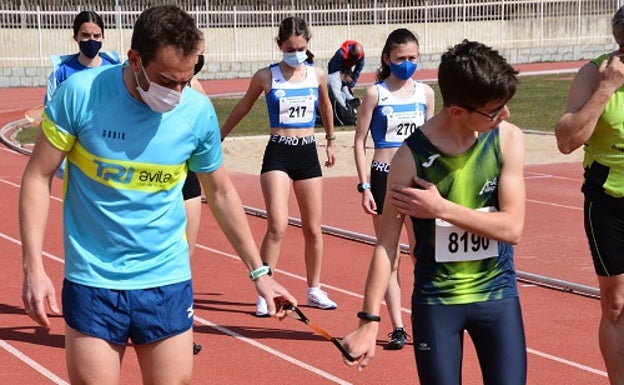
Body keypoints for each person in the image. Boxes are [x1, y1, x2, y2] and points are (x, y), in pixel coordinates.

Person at [19, 5, 296, 384]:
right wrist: (33, 267)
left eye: (187, 79)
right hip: (94, 280)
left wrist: (260, 273)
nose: (178, 92)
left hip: (166, 280)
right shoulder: (80, 95)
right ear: (135, 60)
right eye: (167, 80)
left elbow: (221, 193)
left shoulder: (197, 112)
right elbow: (37, 176)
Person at [343, 39, 527, 385]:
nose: (506, 115)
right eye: (495, 110)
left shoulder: (507, 140)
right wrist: (368, 322)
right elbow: (386, 245)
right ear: (457, 111)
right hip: (438, 303)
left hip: (497, 296)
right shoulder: (409, 159)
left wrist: (441, 208)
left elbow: (512, 228)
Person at [220, 16, 337, 317]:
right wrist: (219, 135)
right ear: (279, 45)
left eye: (300, 47)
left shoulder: (317, 75)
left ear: (307, 44)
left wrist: (331, 139)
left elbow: (325, 106)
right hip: (279, 154)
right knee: (278, 226)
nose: (295, 52)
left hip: (307, 152)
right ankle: (264, 291)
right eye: (289, 47)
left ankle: (314, 289)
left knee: (313, 228)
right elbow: (244, 106)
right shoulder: (265, 76)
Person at [554, 6, 624, 384]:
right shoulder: (593, 74)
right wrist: (605, 90)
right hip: (610, 202)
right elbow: (567, 140)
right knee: (615, 305)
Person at [353, 28, 435, 351]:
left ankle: (425, 321)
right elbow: (359, 142)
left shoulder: (426, 94)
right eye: (401, 58)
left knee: (421, 254)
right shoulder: (375, 94)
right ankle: (398, 328)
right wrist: (364, 186)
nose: (407, 63)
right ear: (387, 58)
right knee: (389, 254)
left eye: (413, 58)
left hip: (416, 179)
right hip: (383, 176)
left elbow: (430, 141)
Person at [44, 10, 120, 105]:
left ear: (102, 37)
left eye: (96, 36)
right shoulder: (60, 74)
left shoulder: (114, 72)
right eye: (85, 35)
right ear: (76, 37)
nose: (92, 40)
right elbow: (51, 111)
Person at [327, 40, 365, 110]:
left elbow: (358, 70)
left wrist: (352, 84)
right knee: (336, 92)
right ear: (352, 51)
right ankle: (339, 109)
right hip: (335, 70)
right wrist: (344, 108)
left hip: (346, 71)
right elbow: (335, 73)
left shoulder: (361, 56)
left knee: (347, 91)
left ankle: (351, 108)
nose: (356, 58)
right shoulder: (341, 53)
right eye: (354, 56)